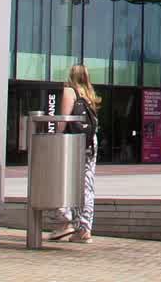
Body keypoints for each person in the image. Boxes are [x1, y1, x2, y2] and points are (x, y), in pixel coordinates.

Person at [50, 63, 101, 243]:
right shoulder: (90, 95)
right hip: (90, 142)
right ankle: (85, 229)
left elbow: (64, 119)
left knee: (62, 179)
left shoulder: (70, 92)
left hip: (73, 142)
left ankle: (64, 223)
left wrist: (56, 138)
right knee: (87, 185)